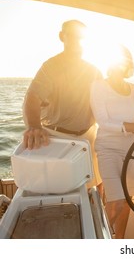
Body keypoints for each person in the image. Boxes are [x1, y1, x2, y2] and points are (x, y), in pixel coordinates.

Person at [22, 19, 104, 190]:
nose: (78, 40)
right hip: (57, 139)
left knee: (94, 188)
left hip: (88, 138)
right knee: (57, 192)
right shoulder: (51, 66)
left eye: (81, 37)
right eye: (73, 35)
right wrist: (34, 126)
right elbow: (33, 97)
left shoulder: (94, 70)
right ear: (62, 36)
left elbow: (104, 103)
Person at [90, 45, 134, 239]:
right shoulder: (99, 85)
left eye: (126, 59)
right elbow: (103, 121)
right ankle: (100, 241)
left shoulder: (132, 87)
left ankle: (119, 242)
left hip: (132, 149)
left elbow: (132, 114)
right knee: (116, 201)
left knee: (127, 200)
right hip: (108, 149)